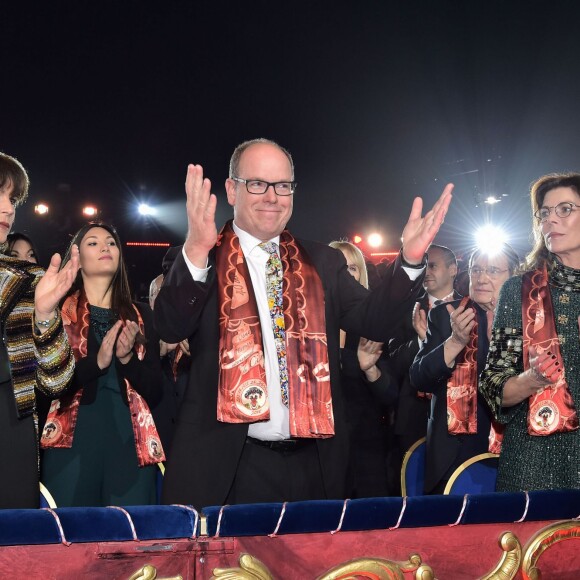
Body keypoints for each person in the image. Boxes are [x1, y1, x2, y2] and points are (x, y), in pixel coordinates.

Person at [154, 138, 453, 508]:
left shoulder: (321, 262)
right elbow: (170, 327)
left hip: (315, 466)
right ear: (232, 189)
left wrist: (409, 260)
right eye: (258, 184)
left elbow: (373, 322)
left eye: (283, 186)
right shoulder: (202, 259)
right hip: (229, 466)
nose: (272, 196)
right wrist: (197, 252)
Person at [40, 222, 164, 506]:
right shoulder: (57, 311)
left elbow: (156, 392)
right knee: (70, 534)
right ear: (77, 258)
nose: (105, 247)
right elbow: (46, 386)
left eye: (111, 242)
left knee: (128, 537)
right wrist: (96, 363)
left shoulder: (141, 314)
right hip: (71, 442)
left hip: (129, 443)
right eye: (93, 243)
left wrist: (127, 360)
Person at [480, 173, 580, 491]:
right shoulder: (521, 291)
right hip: (535, 465)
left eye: (564, 209)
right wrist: (532, 379)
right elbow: (493, 384)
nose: (551, 219)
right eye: (544, 213)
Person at [0, 152, 78, 509]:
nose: (6, 209)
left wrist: (46, 313)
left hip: (11, 432)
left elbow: (57, 382)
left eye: (12, 199)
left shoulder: (30, 280)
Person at [410, 243, 519, 493]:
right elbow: (419, 379)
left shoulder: (530, 319)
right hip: (455, 451)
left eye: (493, 270)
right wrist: (455, 342)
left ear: (514, 275)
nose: (481, 278)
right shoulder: (446, 315)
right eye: (476, 270)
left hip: (514, 450)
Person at [387, 244, 460, 494]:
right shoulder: (407, 308)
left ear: (453, 269)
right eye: (424, 266)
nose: (427, 272)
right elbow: (392, 360)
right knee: (412, 491)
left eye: (433, 265)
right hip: (413, 415)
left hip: (456, 416)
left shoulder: (473, 307)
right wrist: (420, 342)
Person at [329, 241, 397, 498]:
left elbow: (391, 396)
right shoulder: (306, 329)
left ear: (362, 276)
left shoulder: (373, 328)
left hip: (365, 448)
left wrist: (370, 370)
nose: (347, 276)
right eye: (339, 270)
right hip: (320, 450)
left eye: (353, 269)